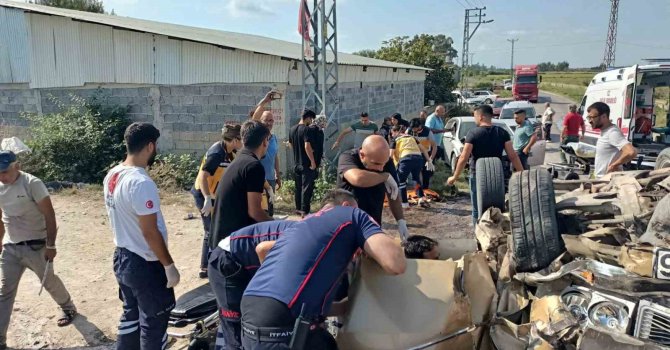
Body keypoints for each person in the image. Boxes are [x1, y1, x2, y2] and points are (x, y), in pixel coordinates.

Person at [240, 189, 406, 350]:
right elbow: (395, 263)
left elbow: (264, 249)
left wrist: (348, 305)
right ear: (347, 205)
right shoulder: (352, 214)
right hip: (284, 320)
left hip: (251, 310)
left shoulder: (303, 223)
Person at [103, 122, 180, 350]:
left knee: (131, 317)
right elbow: (149, 231)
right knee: (154, 322)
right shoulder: (140, 182)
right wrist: (168, 265)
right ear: (149, 146)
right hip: (145, 263)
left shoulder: (113, 175)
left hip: (122, 257)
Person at [0, 151, 77, 350]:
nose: (2, 176)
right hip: (11, 248)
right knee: (4, 292)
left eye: (5, 172)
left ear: (17, 166)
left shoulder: (32, 183)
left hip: (36, 246)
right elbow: (1, 217)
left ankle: (68, 308)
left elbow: (50, 216)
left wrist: (51, 246)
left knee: (49, 281)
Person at [208, 219, 296, 350]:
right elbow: (262, 249)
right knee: (236, 330)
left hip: (247, 260)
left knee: (253, 322)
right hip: (227, 259)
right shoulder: (312, 240)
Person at [447, 105, 524, 225]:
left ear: (481, 116)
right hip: (497, 175)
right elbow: (513, 156)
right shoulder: (502, 132)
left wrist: (454, 177)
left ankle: (478, 237)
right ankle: (499, 236)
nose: (475, 119)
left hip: (478, 175)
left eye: (475, 116)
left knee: (478, 210)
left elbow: (463, 157)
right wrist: (522, 174)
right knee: (497, 209)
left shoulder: (473, 133)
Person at [209, 120, 273, 249]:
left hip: (220, 242)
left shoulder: (239, 160)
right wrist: (276, 225)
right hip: (231, 246)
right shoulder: (253, 166)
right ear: (265, 142)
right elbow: (255, 212)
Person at [190, 124, 242, 278]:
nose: (242, 144)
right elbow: (204, 176)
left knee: (218, 227)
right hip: (203, 194)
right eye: (241, 140)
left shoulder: (229, 151)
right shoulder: (217, 153)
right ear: (234, 140)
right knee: (210, 230)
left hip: (213, 194)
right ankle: (205, 267)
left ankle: (213, 262)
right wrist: (207, 198)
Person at [337, 135, 410, 240]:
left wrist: (401, 220)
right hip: (347, 221)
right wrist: (385, 176)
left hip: (372, 221)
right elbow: (357, 179)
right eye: (376, 164)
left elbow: (393, 193)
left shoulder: (386, 162)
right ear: (362, 155)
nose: (381, 168)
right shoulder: (348, 158)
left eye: (383, 164)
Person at [251, 90, 282, 217]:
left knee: (270, 209)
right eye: (266, 120)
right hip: (258, 178)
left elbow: (275, 157)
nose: (269, 123)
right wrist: (265, 102)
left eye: (271, 120)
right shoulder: (257, 136)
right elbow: (254, 119)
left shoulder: (273, 138)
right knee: (258, 210)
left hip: (270, 178)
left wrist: (278, 176)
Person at [389, 125, 435, 208]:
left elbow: (390, 156)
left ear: (395, 132)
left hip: (406, 159)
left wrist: (389, 168)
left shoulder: (395, 139)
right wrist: (429, 161)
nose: (392, 135)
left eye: (392, 133)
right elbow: (423, 149)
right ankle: (421, 198)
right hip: (418, 158)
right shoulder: (412, 137)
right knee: (416, 178)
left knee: (401, 180)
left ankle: (404, 203)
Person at [587, 102, 638, 177]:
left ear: (604, 116)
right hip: (602, 179)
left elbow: (631, 152)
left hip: (608, 182)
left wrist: (614, 165)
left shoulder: (612, 133)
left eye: (592, 117)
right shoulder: (605, 131)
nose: (590, 121)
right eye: (588, 117)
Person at [289, 110, 318, 216]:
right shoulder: (306, 129)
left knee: (298, 188)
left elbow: (291, 145)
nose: (311, 122)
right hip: (306, 164)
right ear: (308, 118)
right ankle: (304, 211)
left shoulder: (292, 129)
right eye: (311, 119)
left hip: (296, 163)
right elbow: (307, 146)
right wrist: (312, 162)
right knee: (306, 188)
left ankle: (298, 209)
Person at [408, 118, 437, 189]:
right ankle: (418, 191)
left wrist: (431, 159)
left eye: (415, 128)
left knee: (426, 174)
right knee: (416, 174)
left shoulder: (427, 132)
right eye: (412, 129)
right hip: (414, 154)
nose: (414, 130)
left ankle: (426, 189)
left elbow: (434, 146)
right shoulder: (409, 131)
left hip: (426, 154)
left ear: (420, 126)